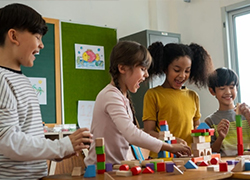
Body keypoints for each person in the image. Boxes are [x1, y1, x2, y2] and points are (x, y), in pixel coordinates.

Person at [0, 3, 93, 179]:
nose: (42, 45)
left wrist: (59, 152)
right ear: (13, 35)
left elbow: (26, 137)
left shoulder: (22, 80)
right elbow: (8, 141)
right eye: (37, 37)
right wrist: (62, 146)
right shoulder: (1, 79)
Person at [84, 40, 191, 166]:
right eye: (142, 69)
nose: (146, 75)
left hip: (115, 168)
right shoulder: (110, 96)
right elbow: (131, 134)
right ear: (122, 68)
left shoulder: (121, 96)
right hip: (100, 170)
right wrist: (170, 147)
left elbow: (130, 135)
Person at [143, 42, 214, 158]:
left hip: (189, 157)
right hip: (163, 158)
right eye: (177, 70)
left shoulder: (193, 96)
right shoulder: (153, 95)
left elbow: (196, 129)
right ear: (165, 68)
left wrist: (203, 132)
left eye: (187, 71)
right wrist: (172, 141)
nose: (182, 76)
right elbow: (148, 133)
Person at [204, 67, 250, 156]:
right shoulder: (210, 121)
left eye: (232, 87)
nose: (228, 92)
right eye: (222, 88)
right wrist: (220, 138)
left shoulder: (246, 113)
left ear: (237, 89)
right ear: (212, 91)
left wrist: (249, 119)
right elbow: (211, 152)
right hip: (225, 166)